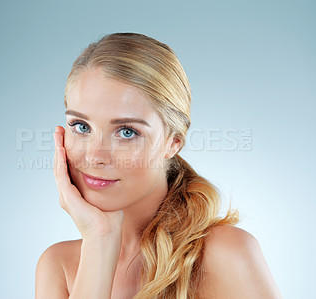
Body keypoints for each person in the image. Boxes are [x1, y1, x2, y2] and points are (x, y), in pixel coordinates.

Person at [35, 32, 282, 299]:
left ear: (172, 142)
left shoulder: (225, 253)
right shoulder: (58, 265)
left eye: (127, 132)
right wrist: (100, 240)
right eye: (81, 127)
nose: (95, 156)